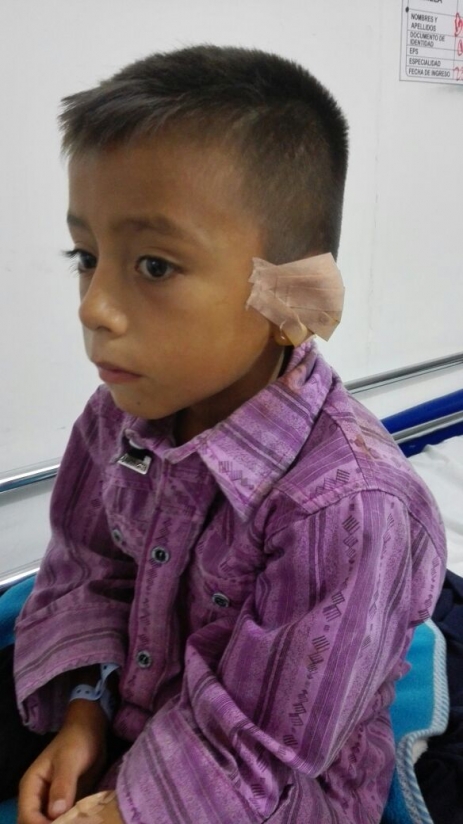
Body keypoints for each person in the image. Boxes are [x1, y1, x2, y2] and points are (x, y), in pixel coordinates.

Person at [8, 45, 445, 824]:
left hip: (270, 789)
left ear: (291, 298)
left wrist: (123, 810)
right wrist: (84, 711)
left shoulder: (347, 510)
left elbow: (268, 747)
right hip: (132, 710)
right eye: (87, 255)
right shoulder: (116, 418)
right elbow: (88, 566)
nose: (93, 307)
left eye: (153, 265)